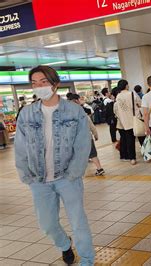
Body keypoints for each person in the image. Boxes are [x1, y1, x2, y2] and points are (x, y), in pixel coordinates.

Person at [14, 66, 94, 265]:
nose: (39, 86)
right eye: (34, 83)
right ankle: (64, 244)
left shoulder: (74, 111)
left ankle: (87, 260)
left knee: (78, 222)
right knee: (47, 224)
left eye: (43, 82)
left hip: (68, 177)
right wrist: (26, 174)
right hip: (39, 180)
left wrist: (74, 173)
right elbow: (20, 147)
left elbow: (83, 144)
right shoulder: (26, 113)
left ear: (55, 84)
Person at [69, 93, 105, 176]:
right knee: (93, 154)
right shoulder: (83, 113)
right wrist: (95, 135)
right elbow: (91, 125)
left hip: (77, 139)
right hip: (87, 138)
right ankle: (99, 168)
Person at [114, 79, 138, 165]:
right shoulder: (131, 94)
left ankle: (132, 158)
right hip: (135, 120)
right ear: (126, 85)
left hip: (125, 122)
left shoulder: (118, 97)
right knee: (142, 137)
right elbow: (138, 105)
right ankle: (147, 155)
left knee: (130, 140)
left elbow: (119, 111)